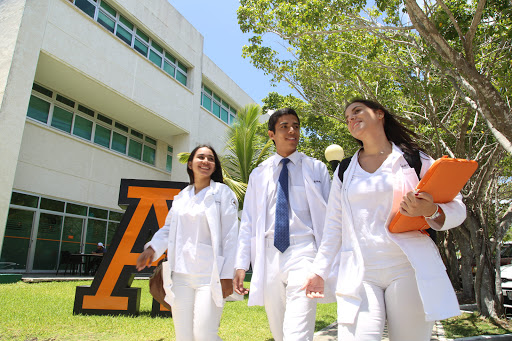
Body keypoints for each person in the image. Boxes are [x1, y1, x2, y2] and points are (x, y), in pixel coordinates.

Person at [301, 99, 467, 341]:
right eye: (347, 117)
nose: (351, 118)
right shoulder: (345, 170)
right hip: (361, 272)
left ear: (379, 114)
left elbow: (457, 208)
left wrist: (430, 210)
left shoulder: (414, 159)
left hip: (407, 268)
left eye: (357, 111)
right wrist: (319, 271)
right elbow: (334, 225)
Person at [233, 108, 335, 341]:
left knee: (297, 331)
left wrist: (324, 262)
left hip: (305, 250)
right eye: (284, 126)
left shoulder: (316, 168)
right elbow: (248, 221)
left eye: (296, 126)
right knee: (280, 331)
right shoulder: (259, 174)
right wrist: (241, 264)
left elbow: (330, 218)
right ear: (271, 134)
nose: (292, 131)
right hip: (268, 254)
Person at [136, 145, 239, 341]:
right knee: (183, 336)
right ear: (190, 164)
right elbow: (168, 229)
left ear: (215, 166)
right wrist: (152, 248)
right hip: (181, 276)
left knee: (204, 335)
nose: (206, 161)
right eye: (201, 157)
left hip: (209, 276)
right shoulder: (182, 196)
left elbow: (231, 236)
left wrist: (227, 275)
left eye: (210, 158)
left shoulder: (223, 194)